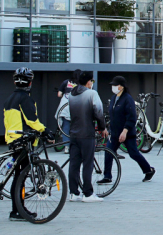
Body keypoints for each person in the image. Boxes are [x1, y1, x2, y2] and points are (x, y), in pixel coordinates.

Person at [4, 67, 55, 221]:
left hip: (13, 140)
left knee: (18, 175)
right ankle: (18, 211)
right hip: (23, 141)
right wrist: (46, 131)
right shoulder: (25, 98)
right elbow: (31, 120)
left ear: (15, 81)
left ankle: (17, 210)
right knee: (21, 176)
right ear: (30, 82)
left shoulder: (9, 99)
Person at [100, 76, 155, 184]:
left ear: (121, 86)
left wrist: (125, 131)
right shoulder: (113, 98)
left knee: (133, 153)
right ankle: (107, 176)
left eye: (115, 85)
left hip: (127, 133)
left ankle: (148, 170)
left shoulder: (127, 99)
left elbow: (131, 117)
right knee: (109, 152)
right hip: (115, 133)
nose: (113, 87)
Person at [68, 71, 107, 203]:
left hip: (73, 134)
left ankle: (73, 193)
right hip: (87, 134)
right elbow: (99, 112)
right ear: (89, 81)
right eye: (92, 81)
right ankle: (88, 193)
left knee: (74, 164)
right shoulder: (91, 94)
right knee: (87, 164)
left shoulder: (71, 95)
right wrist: (102, 128)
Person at [56, 68, 82, 154]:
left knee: (66, 127)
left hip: (65, 107)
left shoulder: (66, 82)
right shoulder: (81, 84)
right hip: (77, 107)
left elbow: (59, 94)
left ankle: (67, 147)